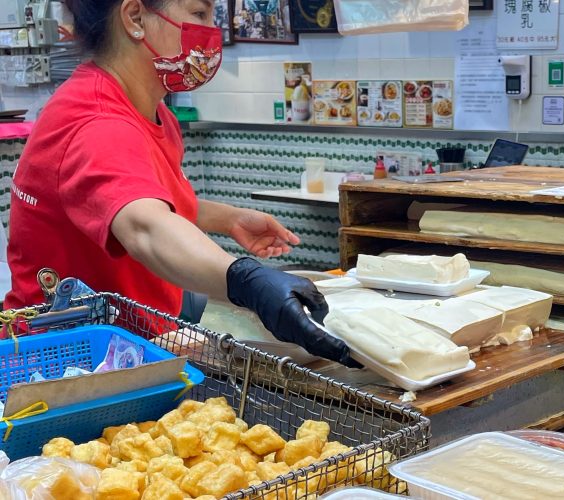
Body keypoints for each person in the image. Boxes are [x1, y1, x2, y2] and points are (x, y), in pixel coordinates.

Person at [5, 0, 357, 367]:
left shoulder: (150, 112)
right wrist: (248, 282)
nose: (210, 33)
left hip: (129, 348)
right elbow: (145, 227)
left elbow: (145, 198)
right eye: (199, 14)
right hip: (61, 365)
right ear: (136, 17)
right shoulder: (98, 122)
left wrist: (228, 218)